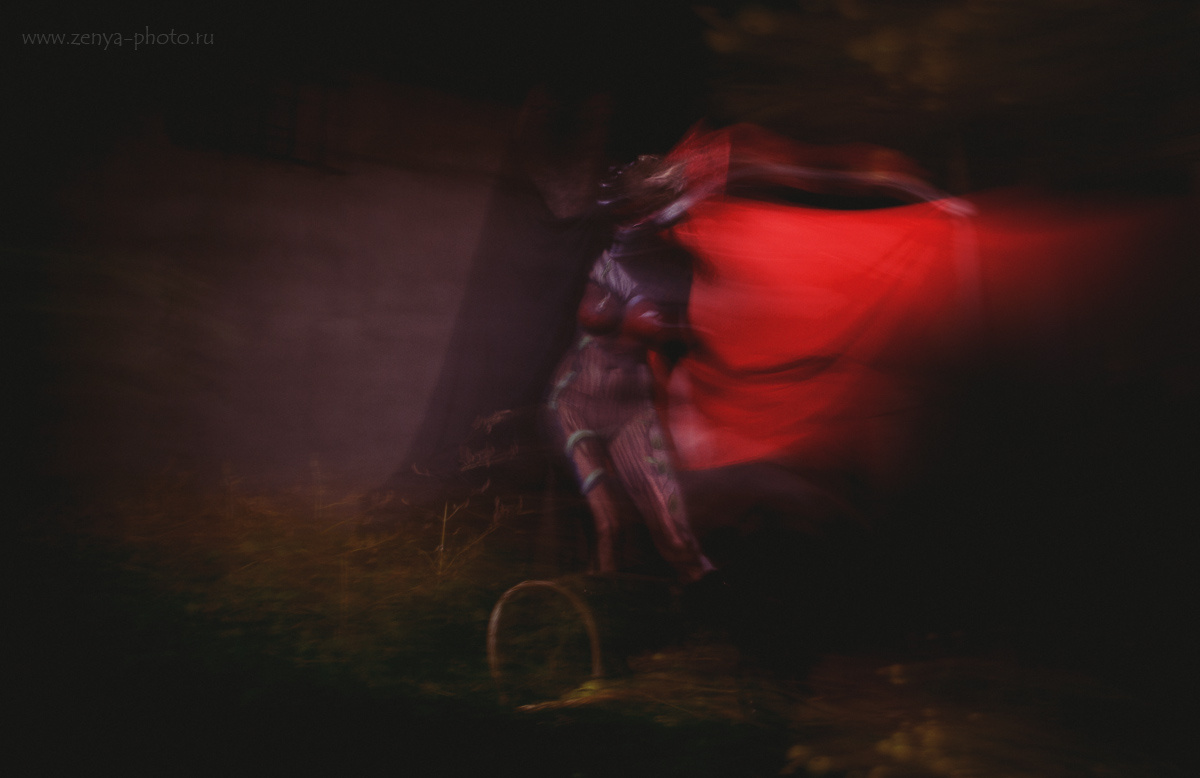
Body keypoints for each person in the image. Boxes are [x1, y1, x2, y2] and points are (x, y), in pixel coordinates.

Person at [547, 155, 716, 584]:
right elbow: (592, 311)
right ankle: (600, 607)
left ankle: (708, 604)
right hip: (577, 402)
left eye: (644, 206)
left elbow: (679, 341)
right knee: (609, 527)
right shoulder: (607, 252)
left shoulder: (676, 266)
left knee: (675, 538)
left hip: (630, 409)